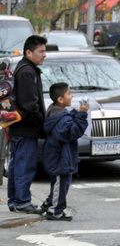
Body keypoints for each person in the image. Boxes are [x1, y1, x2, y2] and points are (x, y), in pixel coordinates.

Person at [7, 35, 47, 214]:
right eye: (41, 51)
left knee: (17, 164)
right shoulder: (27, 72)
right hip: (26, 128)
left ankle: (15, 201)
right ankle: (22, 201)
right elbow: (30, 105)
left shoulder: (25, 69)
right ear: (29, 52)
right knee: (24, 165)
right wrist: (42, 125)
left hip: (19, 127)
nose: (44, 55)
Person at [41, 83, 90, 221]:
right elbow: (71, 132)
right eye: (69, 93)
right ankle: (55, 211)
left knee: (60, 183)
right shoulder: (60, 118)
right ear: (60, 100)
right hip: (60, 157)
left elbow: (66, 121)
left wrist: (75, 112)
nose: (72, 95)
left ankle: (50, 203)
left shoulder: (57, 113)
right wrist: (82, 115)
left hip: (59, 156)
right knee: (60, 183)